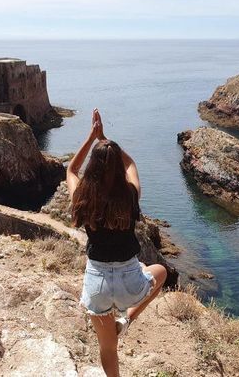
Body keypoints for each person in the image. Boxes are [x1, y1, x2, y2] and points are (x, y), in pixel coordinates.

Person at [66, 108, 167, 377]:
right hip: (130, 282)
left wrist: (92, 138)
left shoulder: (82, 198)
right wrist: (108, 141)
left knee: (108, 348)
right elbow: (130, 164)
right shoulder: (130, 196)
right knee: (159, 271)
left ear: (94, 168)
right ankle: (127, 318)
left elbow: (72, 169)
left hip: (97, 283)